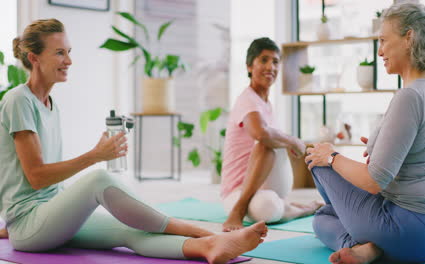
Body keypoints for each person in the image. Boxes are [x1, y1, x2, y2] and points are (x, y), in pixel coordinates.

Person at [0, 18, 267, 264]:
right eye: (60, 52)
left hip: (49, 215)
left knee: (130, 230)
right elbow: (36, 177)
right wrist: (96, 155)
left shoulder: (49, 104)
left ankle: (208, 247)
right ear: (34, 58)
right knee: (99, 180)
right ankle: (205, 233)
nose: (69, 60)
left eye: (69, 52)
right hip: (30, 226)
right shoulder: (18, 100)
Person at [305, 3, 425, 264]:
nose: (380, 51)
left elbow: (374, 181)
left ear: (409, 38)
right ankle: (367, 242)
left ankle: (362, 245)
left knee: (317, 165)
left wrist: (332, 157)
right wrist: (381, 146)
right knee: (324, 215)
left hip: (410, 232)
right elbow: (419, 148)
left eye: (384, 41)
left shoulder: (410, 95)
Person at [221, 37, 323, 232]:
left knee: (269, 204)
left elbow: (269, 136)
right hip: (236, 192)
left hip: (263, 186)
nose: (271, 67)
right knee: (267, 208)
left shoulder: (266, 104)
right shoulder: (248, 99)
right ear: (250, 66)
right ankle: (241, 209)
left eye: (275, 61)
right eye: (264, 60)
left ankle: (291, 207)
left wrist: (285, 142)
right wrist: (292, 140)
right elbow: (261, 134)